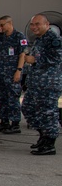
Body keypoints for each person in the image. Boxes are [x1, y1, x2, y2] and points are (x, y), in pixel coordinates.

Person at [20, 14, 62, 155]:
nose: (34, 27)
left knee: (48, 113)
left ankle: (49, 144)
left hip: (48, 84)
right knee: (28, 108)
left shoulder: (54, 39)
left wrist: (35, 59)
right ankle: (44, 136)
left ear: (47, 24)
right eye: (32, 24)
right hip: (36, 84)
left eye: (38, 24)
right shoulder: (39, 40)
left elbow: (57, 57)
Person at [0, 15, 27, 134]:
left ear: (10, 23)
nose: (0, 27)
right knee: (1, 97)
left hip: (12, 72)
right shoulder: (1, 36)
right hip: (1, 72)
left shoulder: (19, 36)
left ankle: (15, 124)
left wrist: (19, 71)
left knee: (13, 97)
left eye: (2, 25)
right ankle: (4, 122)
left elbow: (23, 55)